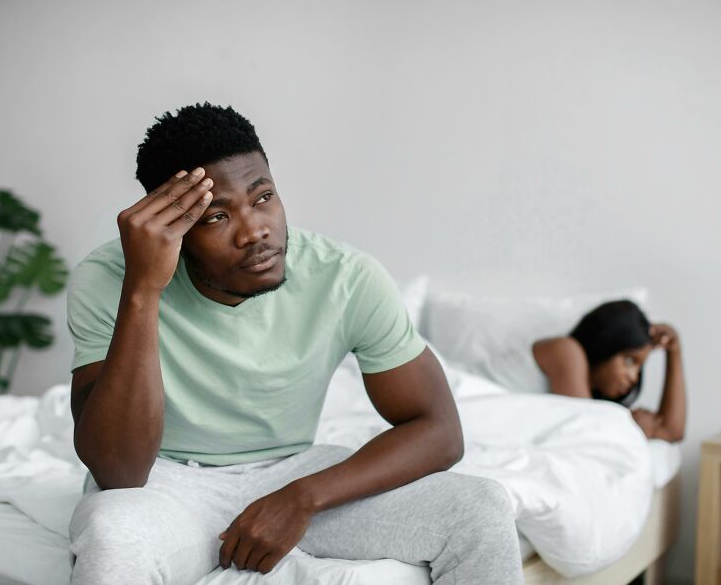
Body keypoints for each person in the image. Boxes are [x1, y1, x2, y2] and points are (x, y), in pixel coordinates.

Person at [66, 102, 524, 584]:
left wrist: (301, 497)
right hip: (165, 481)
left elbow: (440, 431)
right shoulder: (109, 280)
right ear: (172, 226)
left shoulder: (344, 277)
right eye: (216, 216)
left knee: (481, 507)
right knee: (110, 535)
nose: (255, 231)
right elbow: (118, 470)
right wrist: (142, 289)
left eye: (263, 197)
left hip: (294, 469)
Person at [531, 300, 686, 442]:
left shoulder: (598, 406)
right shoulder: (566, 350)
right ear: (606, 343)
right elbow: (586, 435)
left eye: (639, 368)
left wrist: (674, 349)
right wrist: (630, 426)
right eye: (629, 360)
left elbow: (672, 432)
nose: (634, 377)